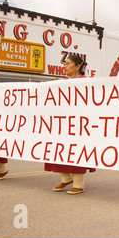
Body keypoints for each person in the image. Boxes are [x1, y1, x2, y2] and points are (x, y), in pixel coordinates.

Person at [44, 55, 96, 194]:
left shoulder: (85, 82)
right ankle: (65, 178)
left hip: (77, 124)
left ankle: (79, 184)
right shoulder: (61, 82)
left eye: (68, 64)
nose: (65, 66)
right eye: (64, 64)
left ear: (78, 66)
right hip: (61, 123)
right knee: (57, 150)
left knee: (75, 152)